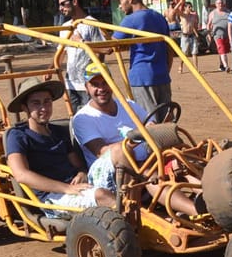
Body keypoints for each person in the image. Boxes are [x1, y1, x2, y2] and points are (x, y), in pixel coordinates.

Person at [72, 62, 199, 217]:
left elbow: (151, 124)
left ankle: (212, 201)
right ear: (86, 88)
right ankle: (196, 211)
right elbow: (101, 151)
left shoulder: (127, 104)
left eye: (105, 82)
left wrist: (159, 129)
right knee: (148, 175)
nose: (101, 89)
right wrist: (135, 139)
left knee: (179, 160)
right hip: (108, 174)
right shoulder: (83, 118)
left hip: (144, 161)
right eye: (95, 85)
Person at [5, 76, 115, 218]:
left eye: (47, 102)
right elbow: (21, 175)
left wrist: (82, 173)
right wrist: (66, 188)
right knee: (103, 196)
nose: (44, 108)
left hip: (77, 187)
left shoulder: (58, 132)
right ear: (24, 107)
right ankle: (137, 230)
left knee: (123, 175)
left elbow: (78, 164)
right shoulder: (17, 135)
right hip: (52, 197)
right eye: (36, 103)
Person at [109, 0, 173, 121]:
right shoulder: (159, 17)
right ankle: (168, 143)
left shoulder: (131, 20)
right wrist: (165, 70)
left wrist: (81, 43)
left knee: (149, 121)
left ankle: (151, 144)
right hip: (162, 75)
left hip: (142, 77)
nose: (120, 5)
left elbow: (108, 47)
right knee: (166, 120)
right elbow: (169, 49)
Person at [57, 0, 104, 110]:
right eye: (59, 5)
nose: (60, 8)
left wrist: (81, 42)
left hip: (88, 84)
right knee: (75, 119)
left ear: (74, 1)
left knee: (92, 118)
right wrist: (50, 69)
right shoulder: (65, 27)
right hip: (71, 84)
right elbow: (61, 52)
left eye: (63, 4)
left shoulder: (91, 23)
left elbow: (105, 49)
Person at [206, 0, 231, 72]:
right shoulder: (213, 13)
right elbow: (208, 24)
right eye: (218, 3)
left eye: (221, 3)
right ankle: (226, 66)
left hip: (227, 35)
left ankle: (221, 65)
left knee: (224, 51)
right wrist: (209, 33)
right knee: (222, 49)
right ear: (216, 5)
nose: (220, 4)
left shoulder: (228, 12)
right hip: (217, 35)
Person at [178, 1, 200, 74]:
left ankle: (196, 69)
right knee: (184, 53)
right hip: (185, 36)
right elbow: (176, 10)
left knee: (194, 52)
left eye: (191, 7)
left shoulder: (193, 16)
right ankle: (181, 66)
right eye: (189, 7)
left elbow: (192, 26)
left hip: (192, 35)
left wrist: (196, 34)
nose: (190, 8)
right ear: (185, 8)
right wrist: (180, 2)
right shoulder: (183, 15)